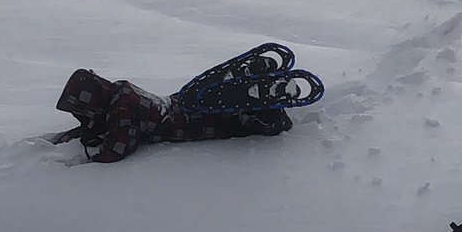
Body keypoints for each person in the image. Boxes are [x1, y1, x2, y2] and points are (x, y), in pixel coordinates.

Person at [53, 66, 292, 163]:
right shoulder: (118, 90)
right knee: (219, 105)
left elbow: (117, 149)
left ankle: (269, 116)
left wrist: (85, 162)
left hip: (186, 124)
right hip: (177, 105)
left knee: (229, 121)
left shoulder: (122, 109)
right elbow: (102, 126)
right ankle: (251, 94)